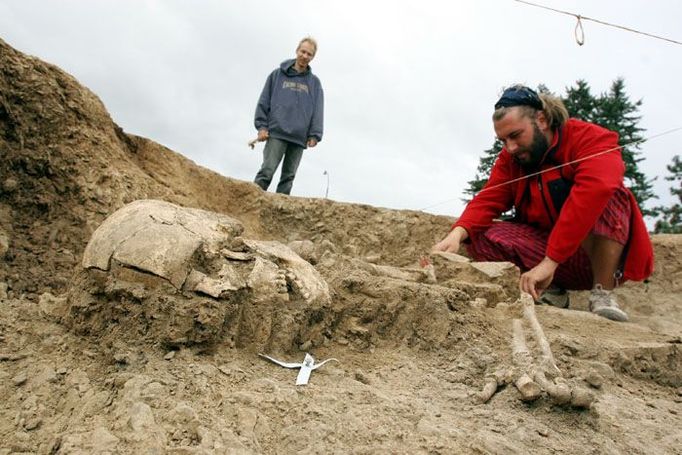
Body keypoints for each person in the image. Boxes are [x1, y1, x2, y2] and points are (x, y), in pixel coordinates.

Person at [433, 85, 654, 322]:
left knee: (611, 195)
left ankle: (603, 293)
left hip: (593, 258)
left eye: (516, 135)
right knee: (478, 234)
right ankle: (553, 290)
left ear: (542, 119)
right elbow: (490, 196)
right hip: (548, 257)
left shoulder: (590, 139)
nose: (510, 147)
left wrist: (551, 260)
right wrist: (457, 234)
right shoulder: (511, 159)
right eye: (503, 140)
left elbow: (596, 189)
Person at [252, 36, 324, 195]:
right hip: (277, 132)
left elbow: (318, 109)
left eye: (309, 54)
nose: (305, 56)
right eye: (303, 51)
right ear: (297, 51)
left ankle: (278, 216)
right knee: (267, 171)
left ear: (313, 57)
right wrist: (262, 126)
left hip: (299, 137)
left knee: (288, 178)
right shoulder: (277, 75)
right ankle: (249, 204)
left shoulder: (314, 83)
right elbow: (264, 101)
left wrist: (315, 134)